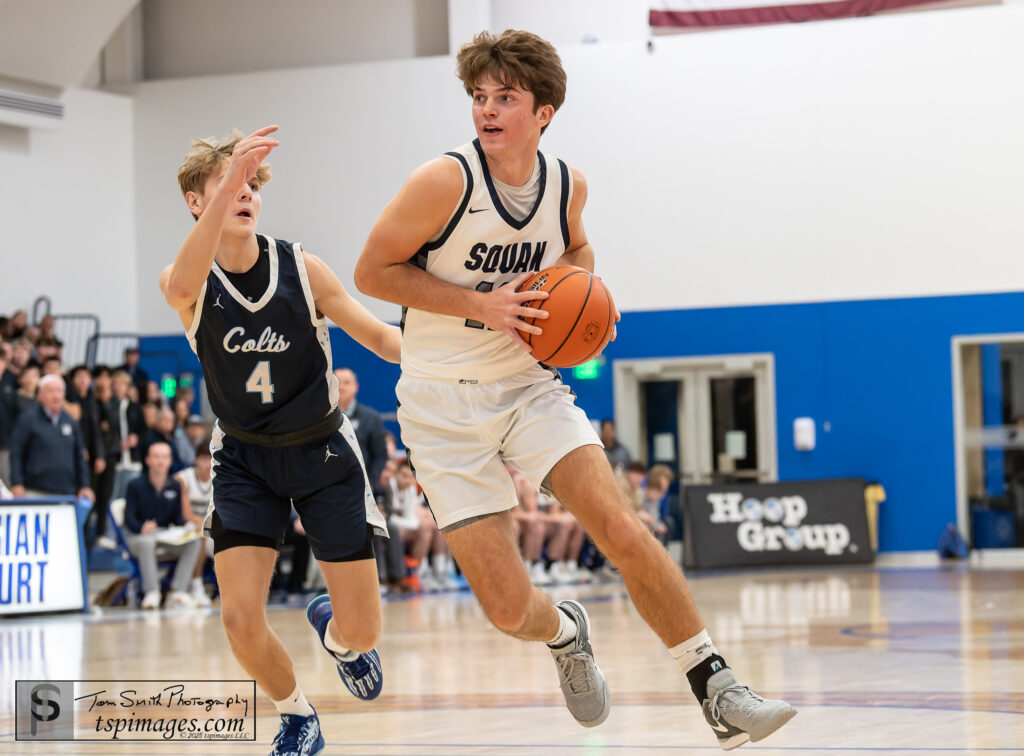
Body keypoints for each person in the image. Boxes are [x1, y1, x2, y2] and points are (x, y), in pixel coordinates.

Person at [353, 30, 795, 749]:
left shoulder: (566, 186)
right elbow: (372, 273)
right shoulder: (443, 181)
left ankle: (716, 684)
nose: (487, 111)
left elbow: (578, 250)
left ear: (545, 111)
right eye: (478, 98)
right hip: (439, 404)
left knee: (620, 526)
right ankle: (565, 632)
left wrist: (589, 292)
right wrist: (482, 305)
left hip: (527, 385)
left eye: (506, 99)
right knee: (506, 607)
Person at [159, 126, 401, 755]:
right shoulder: (185, 284)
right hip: (243, 459)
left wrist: (466, 355)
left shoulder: (302, 267)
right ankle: (298, 716)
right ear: (196, 201)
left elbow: (379, 338)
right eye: (229, 184)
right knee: (238, 618)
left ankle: (336, 631)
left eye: (252, 185)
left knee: (365, 630)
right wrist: (229, 173)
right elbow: (182, 284)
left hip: (321, 452)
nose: (245, 193)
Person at [124, 441, 202, 609]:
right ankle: (152, 592)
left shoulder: (175, 485)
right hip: (139, 537)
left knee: (193, 542)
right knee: (147, 542)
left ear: (170, 460)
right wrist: (141, 527)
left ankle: (177, 591)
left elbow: (178, 518)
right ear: (148, 460)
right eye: (156, 457)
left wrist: (189, 526)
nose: (161, 461)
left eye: (165, 457)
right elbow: (128, 519)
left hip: (164, 535)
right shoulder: (135, 485)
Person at [7, 374, 94, 503]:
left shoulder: (71, 422)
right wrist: (17, 483)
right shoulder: (27, 420)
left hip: (66, 492)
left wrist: (85, 485)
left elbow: (79, 456)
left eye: (59, 391)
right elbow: (16, 453)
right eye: (50, 391)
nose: (56, 395)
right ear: (40, 395)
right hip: (33, 491)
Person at [334, 367, 388, 495]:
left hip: (361, 490)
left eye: (346, 383)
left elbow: (380, 455)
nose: (341, 387)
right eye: (336, 382)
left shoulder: (370, 418)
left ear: (356, 387)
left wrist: (371, 484)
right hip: (328, 490)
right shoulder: (320, 417)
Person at [176, 441, 215, 606]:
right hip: (186, 528)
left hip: (212, 529)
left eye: (212, 459)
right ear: (196, 460)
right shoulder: (183, 479)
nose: (208, 464)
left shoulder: (219, 479)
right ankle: (196, 585)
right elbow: (186, 514)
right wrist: (201, 522)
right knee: (200, 533)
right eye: (205, 459)